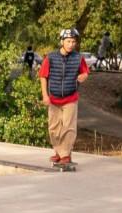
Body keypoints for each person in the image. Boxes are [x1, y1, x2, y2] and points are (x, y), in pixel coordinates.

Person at [39, 28, 89, 168]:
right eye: (68, 41)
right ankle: (59, 152)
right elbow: (43, 76)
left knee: (68, 127)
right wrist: (45, 95)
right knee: (53, 128)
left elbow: (85, 73)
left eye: (73, 41)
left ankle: (65, 155)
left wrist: (83, 77)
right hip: (54, 99)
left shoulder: (79, 58)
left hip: (70, 98)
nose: (71, 44)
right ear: (62, 42)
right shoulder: (51, 57)